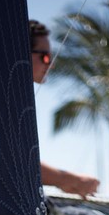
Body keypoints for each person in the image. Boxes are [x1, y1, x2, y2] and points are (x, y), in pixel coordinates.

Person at [29, 19, 100, 199]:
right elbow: (12, 163)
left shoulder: (6, 96)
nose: (50, 64)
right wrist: (67, 179)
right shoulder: (0, 97)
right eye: (45, 56)